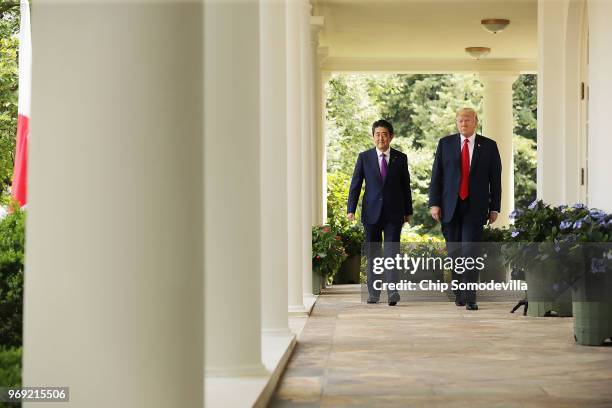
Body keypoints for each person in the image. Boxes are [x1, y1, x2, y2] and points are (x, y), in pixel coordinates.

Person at [428, 107, 502, 311]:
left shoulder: (488, 146)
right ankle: (459, 291)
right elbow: (437, 176)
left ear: (475, 121)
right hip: (449, 206)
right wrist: (434, 203)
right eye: (460, 120)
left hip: (475, 207)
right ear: (456, 123)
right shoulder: (445, 144)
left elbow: (495, 179)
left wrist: (495, 207)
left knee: (471, 250)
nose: (463, 123)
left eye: (467, 120)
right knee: (454, 252)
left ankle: (471, 296)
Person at [347, 119, 413, 306]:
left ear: (391, 136)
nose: (380, 138)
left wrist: (408, 211)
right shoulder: (364, 157)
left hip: (394, 214)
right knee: (374, 253)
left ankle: (393, 292)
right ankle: (374, 293)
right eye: (377, 134)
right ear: (373, 137)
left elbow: (405, 186)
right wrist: (351, 209)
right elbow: (356, 185)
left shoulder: (400, 158)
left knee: (392, 253)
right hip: (371, 213)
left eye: (384, 134)